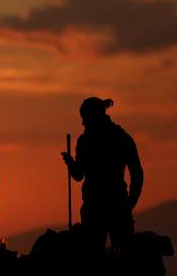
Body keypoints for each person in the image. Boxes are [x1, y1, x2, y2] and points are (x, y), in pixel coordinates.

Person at [61, 97, 143, 252]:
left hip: (95, 208)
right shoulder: (122, 138)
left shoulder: (85, 141)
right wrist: (130, 202)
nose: (83, 123)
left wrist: (70, 163)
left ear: (92, 117)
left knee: (94, 256)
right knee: (126, 256)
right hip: (117, 205)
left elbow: (78, 175)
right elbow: (137, 173)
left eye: (84, 119)